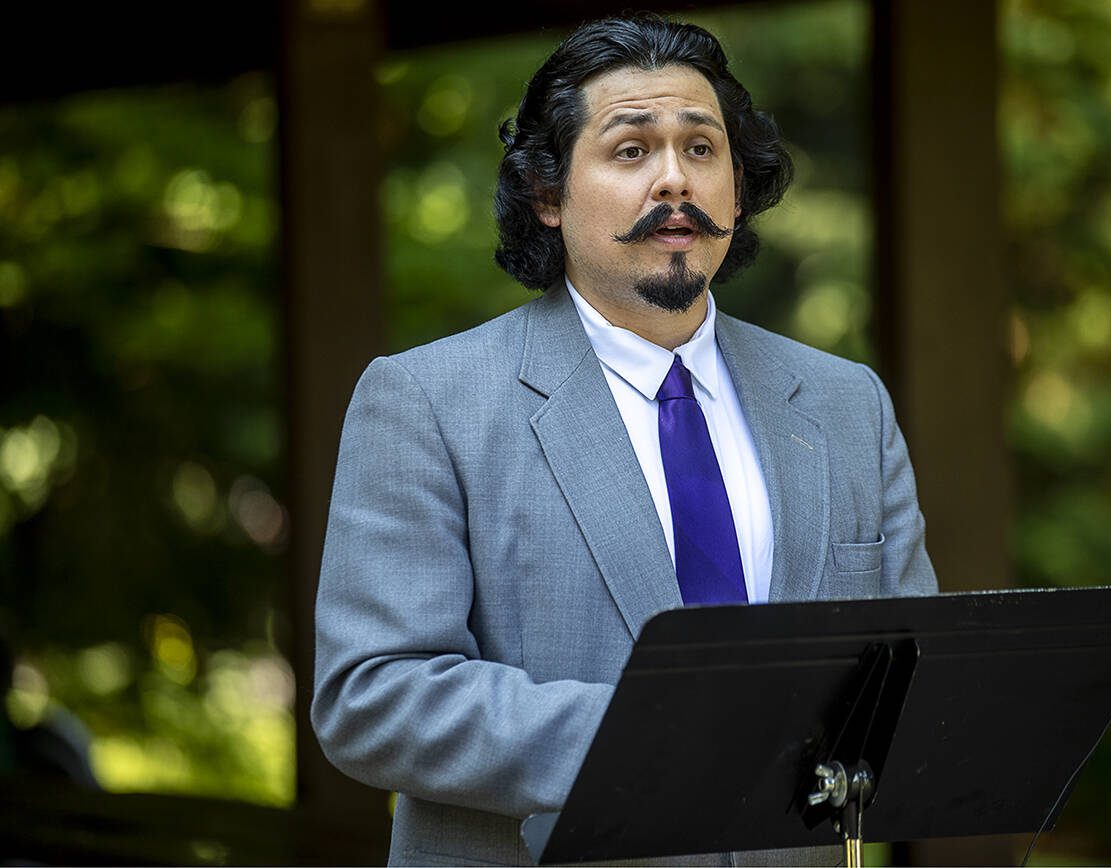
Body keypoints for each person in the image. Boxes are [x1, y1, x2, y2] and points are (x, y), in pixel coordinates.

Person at [312, 13, 937, 867]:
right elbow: (372, 698)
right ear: (546, 193)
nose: (674, 181)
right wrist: (656, 734)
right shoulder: (426, 401)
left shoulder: (844, 404)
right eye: (632, 150)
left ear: (740, 188)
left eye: (704, 149)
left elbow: (912, 679)